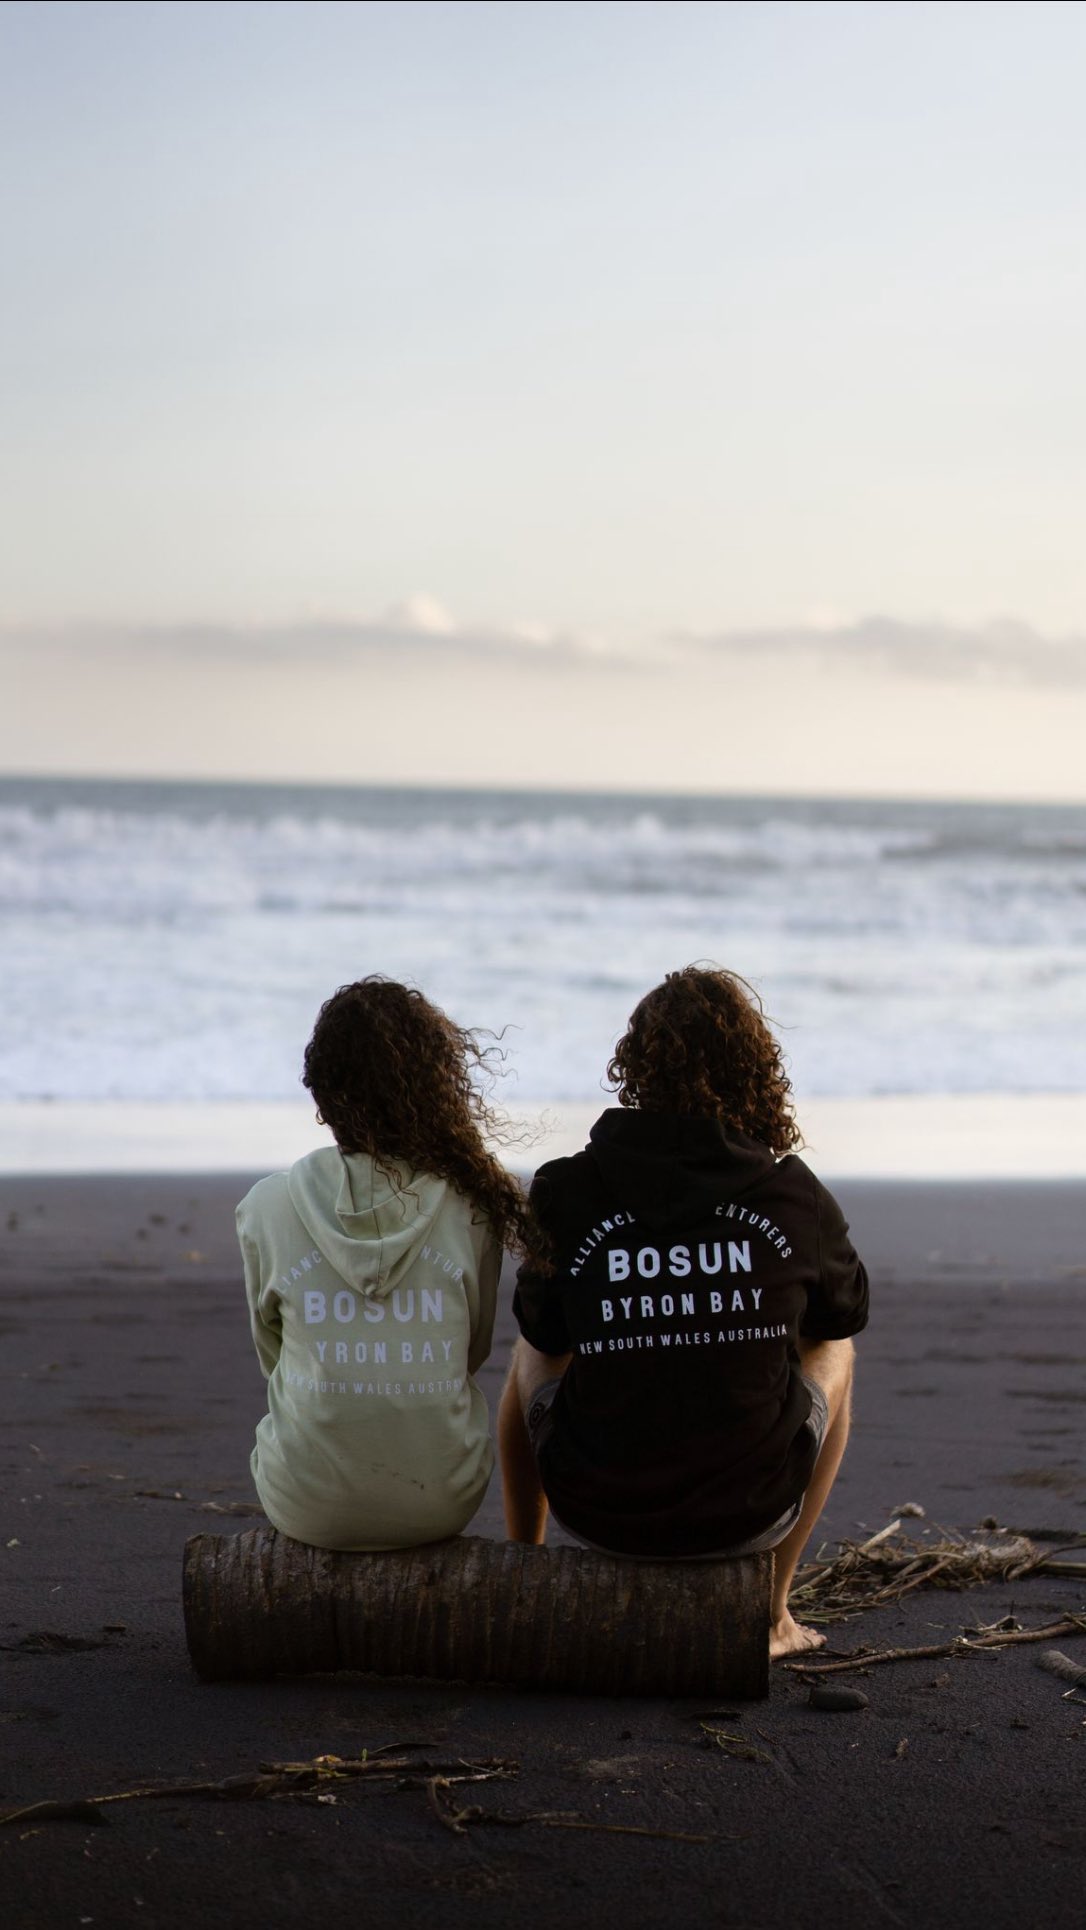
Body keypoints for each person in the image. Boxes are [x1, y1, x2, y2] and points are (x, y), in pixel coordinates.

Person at [498, 964, 868, 1659]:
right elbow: (843, 1315)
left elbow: (545, 1330)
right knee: (836, 1348)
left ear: (636, 1069)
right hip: (749, 1514)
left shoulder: (565, 1190)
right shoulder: (792, 1196)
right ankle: (771, 1613)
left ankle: (528, 1570)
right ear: (755, 1072)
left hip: (596, 1510)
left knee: (533, 1345)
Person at [238, 976, 526, 1551]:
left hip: (306, 1505)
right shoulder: (471, 1204)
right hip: (444, 1500)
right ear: (435, 1089)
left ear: (321, 1094)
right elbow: (470, 1350)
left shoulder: (266, 1207)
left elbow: (272, 1356)